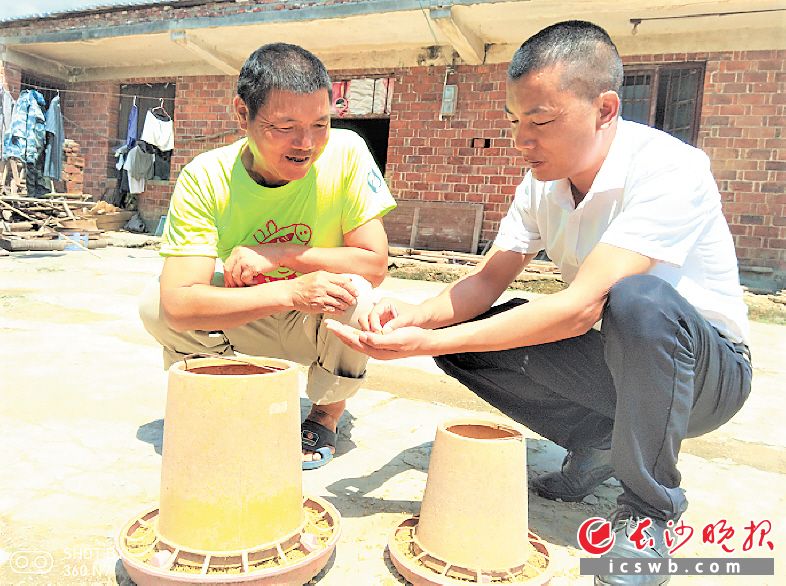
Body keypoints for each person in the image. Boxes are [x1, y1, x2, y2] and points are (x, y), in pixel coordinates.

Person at [327, 21, 752, 584]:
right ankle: (597, 442)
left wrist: (424, 341)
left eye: (541, 122)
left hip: (705, 375)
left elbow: (580, 306)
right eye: (515, 122)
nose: (522, 141)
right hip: (622, 361)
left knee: (637, 298)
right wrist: (412, 318)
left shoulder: (670, 168)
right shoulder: (540, 183)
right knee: (474, 338)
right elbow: (483, 285)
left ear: (604, 109)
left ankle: (649, 515)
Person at [140, 43, 396, 470]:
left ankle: (327, 412)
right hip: (251, 311)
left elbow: (374, 264)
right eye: (286, 126)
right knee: (155, 304)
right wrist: (290, 293)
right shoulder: (205, 176)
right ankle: (222, 391)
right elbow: (179, 303)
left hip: (315, 321)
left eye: (320, 123)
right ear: (243, 114)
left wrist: (283, 253)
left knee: (361, 298)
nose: (306, 143)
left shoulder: (347, 153)